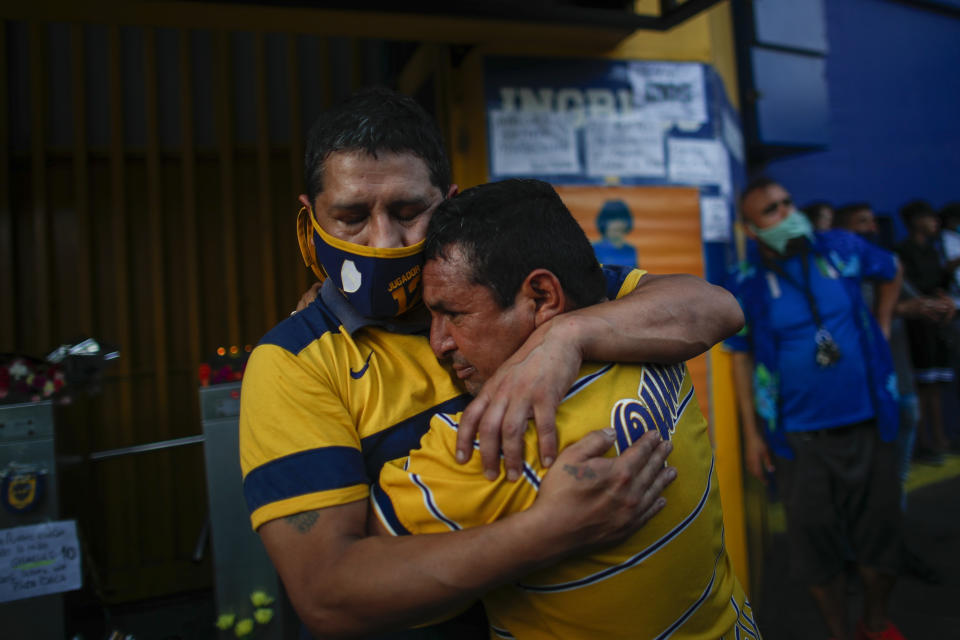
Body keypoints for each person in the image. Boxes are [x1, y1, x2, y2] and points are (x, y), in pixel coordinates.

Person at [238, 87, 745, 638]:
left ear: (448, 203)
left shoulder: (505, 281)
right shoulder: (294, 364)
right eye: (352, 217)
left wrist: (566, 338)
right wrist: (547, 532)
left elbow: (712, 306)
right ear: (311, 218)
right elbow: (327, 594)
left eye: (409, 212)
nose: (383, 241)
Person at [369, 179, 758, 640]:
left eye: (454, 314)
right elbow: (716, 305)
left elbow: (348, 585)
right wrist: (567, 334)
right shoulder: (651, 335)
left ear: (542, 297)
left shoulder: (491, 443)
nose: (438, 343)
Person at [725, 177, 905, 640]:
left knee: (880, 538)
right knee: (815, 548)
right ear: (750, 229)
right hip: (798, 441)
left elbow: (892, 269)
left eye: (789, 203)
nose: (788, 214)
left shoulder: (840, 248)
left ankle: (876, 622)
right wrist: (751, 435)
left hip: (869, 423)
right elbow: (740, 358)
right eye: (772, 211)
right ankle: (839, 633)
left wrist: (882, 326)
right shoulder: (746, 284)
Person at [896, 201, 956, 463]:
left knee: (935, 387)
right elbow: (909, 288)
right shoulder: (902, 251)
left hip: (936, 325)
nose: (935, 224)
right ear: (916, 220)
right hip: (916, 328)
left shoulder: (933, 251)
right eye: (929, 218)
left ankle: (940, 439)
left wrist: (943, 296)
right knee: (921, 386)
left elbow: (938, 282)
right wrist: (926, 301)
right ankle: (923, 444)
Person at [591, 199, 638, 268]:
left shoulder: (631, 250)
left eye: (620, 218)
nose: (616, 224)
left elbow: (636, 276)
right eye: (612, 219)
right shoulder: (594, 249)